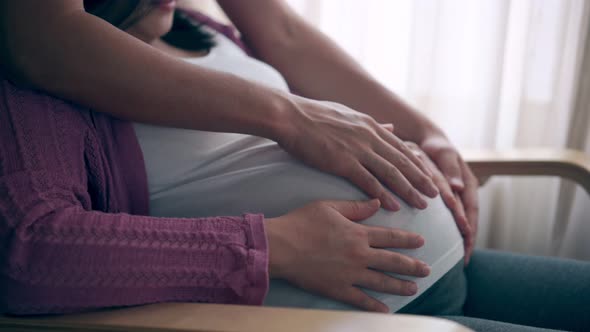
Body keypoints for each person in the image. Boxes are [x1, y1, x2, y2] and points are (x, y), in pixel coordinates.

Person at [0, 1, 588, 331]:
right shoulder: (49, 86)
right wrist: (273, 246)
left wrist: (426, 137)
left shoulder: (202, 27)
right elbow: (32, 251)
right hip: (371, 317)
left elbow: (284, 32)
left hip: (442, 273)